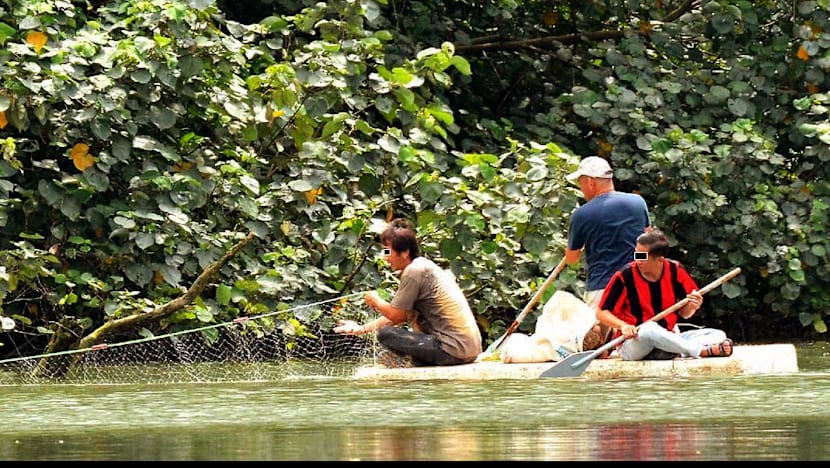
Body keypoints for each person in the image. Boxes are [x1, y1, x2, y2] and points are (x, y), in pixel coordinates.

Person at [333, 218, 482, 367]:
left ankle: (407, 363)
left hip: (452, 349)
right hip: (467, 350)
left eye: (388, 252)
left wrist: (376, 301)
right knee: (392, 335)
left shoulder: (414, 272)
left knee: (386, 334)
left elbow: (396, 316)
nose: (385, 258)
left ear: (404, 252)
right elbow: (399, 315)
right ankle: (414, 362)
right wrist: (361, 329)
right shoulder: (423, 266)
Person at [595, 230, 733, 361]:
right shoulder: (624, 276)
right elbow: (601, 313)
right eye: (636, 254)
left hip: (668, 335)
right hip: (634, 342)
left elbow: (685, 314)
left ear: (660, 259)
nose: (638, 260)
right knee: (649, 329)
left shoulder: (675, 270)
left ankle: (670, 349)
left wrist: (692, 306)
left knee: (717, 335)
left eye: (643, 256)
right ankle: (699, 351)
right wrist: (623, 326)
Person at [564, 156, 651, 350]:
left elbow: (572, 259)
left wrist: (575, 245)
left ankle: (602, 338)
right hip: (639, 283)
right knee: (641, 340)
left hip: (602, 288)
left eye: (581, 183)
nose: (581, 189)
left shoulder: (582, 214)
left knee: (594, 344)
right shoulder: (637, 203)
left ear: (590, 182)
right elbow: (648, 243)